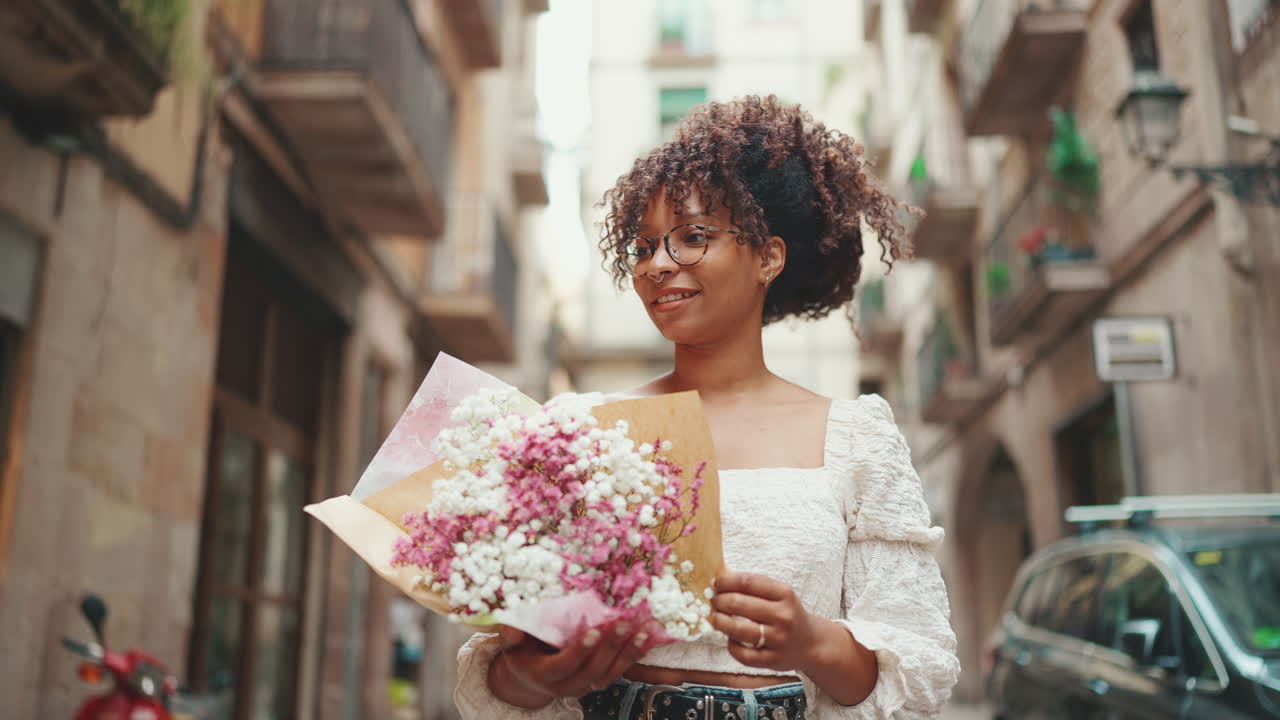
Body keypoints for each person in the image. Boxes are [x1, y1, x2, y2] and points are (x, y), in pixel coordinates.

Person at [454, 96, 960, 719]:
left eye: (692, 237)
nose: (658, 265)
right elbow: (505, 673)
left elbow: (918, 672)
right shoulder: (579, 429)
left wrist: (812, 641)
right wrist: (535, 674)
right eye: (644, 247)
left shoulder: (856, 439)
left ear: (768, 257)